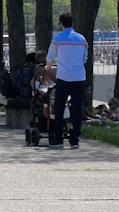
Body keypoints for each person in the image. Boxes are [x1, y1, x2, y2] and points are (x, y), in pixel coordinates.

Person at [47, 12, 87, 149]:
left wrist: (48, 68)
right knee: (76, 109)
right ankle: (74, 139)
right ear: (73, 23)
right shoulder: (82, 39)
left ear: (61, 24)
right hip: (79, 77)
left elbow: (50, 57)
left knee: (59, 108)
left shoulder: (58, 38)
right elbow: (84, 59)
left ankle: (58, 139)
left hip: (63, 77)